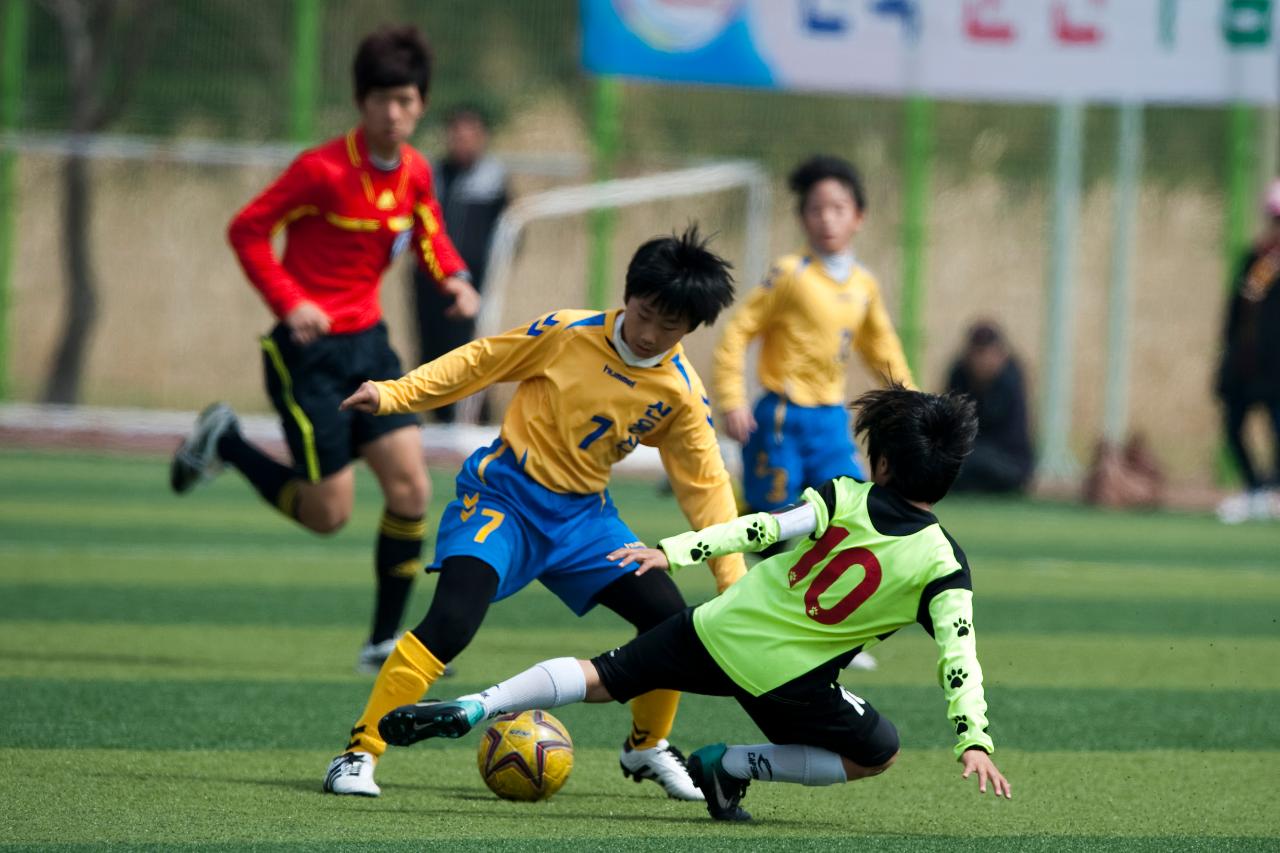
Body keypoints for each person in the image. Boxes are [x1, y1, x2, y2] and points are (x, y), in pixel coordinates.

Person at [379, 385, 1012, 822]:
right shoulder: (944, 566)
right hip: (787, 682)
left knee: (601, 677)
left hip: (715, 626)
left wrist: (673, 551)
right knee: (878, 752)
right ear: (951, 478)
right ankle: (729, 765)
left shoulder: (841, 495)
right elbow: (960, 661)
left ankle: (480, 704)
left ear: (880, 463)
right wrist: (973, 740)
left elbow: (758, 528)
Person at [321, 225, 746, 802]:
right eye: (644, 313)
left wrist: (731, 579)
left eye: (669, 327)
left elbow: (706, 486)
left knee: (671, 623)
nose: (649, 334)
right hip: (504, 501)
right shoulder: (565, 332)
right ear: (628, 295)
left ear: (691, 328)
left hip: (584, 523)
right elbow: (481, 361)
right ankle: (358, 752)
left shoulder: (679, 392)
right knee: (450, 623)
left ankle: (647, 746)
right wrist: (395, 394)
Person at [169, 26, 480, 674]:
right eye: (381, 100)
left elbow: (428, 232)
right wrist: (290, 300)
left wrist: (453, 276)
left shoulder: (417, 172)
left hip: (370, 346)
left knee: (411, 490)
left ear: (420, 104)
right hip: (306, 354)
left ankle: (381, 642)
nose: (394, 113)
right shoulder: (322, 169)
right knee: (327, 514)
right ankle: (224, 440)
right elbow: (247, 230)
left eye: (406, 100)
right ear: (361, 102)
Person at [713, 154, 914, 671]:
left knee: (851, 519)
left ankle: (832, 634)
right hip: (780, 417)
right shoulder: (789, 274)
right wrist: (731, 398)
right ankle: (775, 625)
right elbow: (738, 333)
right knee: (780, 527)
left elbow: (880, 347)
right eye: (817, 209)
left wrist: (912, 403)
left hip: (829, 422)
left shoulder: (864, 285)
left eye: (838, 208)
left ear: (858, 217)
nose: (827, 218)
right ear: (804, 219)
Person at [411, 104, 510, 423]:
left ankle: (476, 423)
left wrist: (489, 275)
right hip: (430, 284)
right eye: (456, 134)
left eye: (470, 135)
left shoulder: (493, 181)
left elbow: (510, 235)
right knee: (432, 355)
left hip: (474, 285)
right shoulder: (432, 176)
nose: (462, 141)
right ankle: (441, 422)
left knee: (470, 355)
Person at [1215, 179, 1280, 524]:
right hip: (1248, 367)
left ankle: (1273, 491)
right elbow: (1236, 312)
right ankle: (1257, 490)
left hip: (1277, 369)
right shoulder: (1256, 261)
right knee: (1233, 427)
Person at [945, 322, 1033, 494]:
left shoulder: (1010, 380)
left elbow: (1008, 438)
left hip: (1008, 461)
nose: (982, 361)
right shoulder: (959, 376)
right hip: (968, 454)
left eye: (987, 354)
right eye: (977, 353)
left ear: (1001, 355)